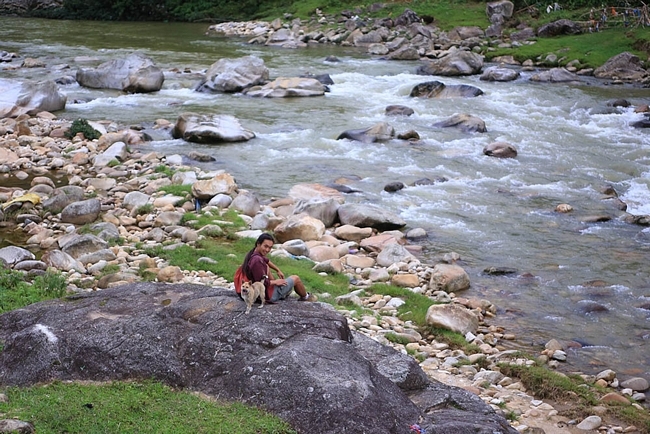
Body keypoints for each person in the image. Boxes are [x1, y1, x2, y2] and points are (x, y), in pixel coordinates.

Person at [240, 233, 317, 303]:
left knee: (267, 267)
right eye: (265, 246)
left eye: (270, 247)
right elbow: (261, 282)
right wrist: (275, 282)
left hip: (260, 291)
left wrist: (277, 270)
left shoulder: (254, 253)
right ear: (258, 244)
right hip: (267, 295)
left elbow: (267, 261)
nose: (267, 250)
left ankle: (282, 291)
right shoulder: (257, 261)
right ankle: (306, 297)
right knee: (296, 278)